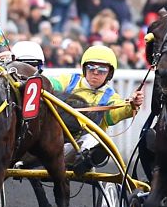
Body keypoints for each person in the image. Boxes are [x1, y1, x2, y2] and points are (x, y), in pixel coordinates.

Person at [47, 45, 144, 174]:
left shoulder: (110, 96)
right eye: (91, 68)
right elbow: (48, 84)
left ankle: (80, 164)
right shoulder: (69, 81)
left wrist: (132, 105)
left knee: (100, 142)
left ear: (109, 73)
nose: (96, 73)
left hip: (82, 145)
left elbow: (114, 114)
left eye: (102, 70)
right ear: (84, 68)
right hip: (56, 138)